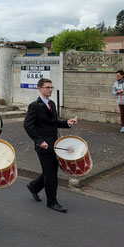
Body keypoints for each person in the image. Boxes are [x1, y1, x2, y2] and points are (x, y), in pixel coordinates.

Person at [24, 78, 77, 213]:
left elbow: (54, 123)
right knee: (51, 173)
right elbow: (27, 125)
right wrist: (39, 141)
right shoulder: (35, 106)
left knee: (51, 171)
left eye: (51, 87)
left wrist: (68, 123)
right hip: (43, 146)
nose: (50, 89)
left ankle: (34, 186)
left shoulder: (52, 104)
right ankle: (51, 201)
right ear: (40, 89)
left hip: (55, 144)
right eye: (47, 87)